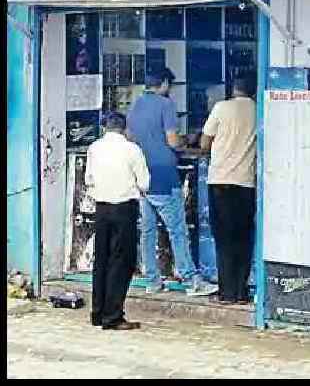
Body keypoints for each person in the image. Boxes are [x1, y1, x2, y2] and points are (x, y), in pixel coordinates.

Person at [127, 68, 217, 297]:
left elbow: (131, 137)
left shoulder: (135, 104)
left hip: (142, 177)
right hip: (164, 175)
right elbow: (173, 140)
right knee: (177, 231)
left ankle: (152, 281)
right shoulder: (166, 105)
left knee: (147, 232)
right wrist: (186, 141)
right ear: (165, 83)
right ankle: (191, 280)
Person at [86, 112, 150, 330]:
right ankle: (113, 315)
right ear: (124, 128)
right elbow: (145, 183)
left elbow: (89, 179)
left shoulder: (94, 148)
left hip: (102, 208)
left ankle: (97, 312)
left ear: (105, 127)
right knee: (121, 261)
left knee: (101, 260)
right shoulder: (133, 149)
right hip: (124, 209)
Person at [201, 75, 257, 305]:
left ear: (233, 89)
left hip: (220, 181)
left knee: (223, 238)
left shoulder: (221, 108)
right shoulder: (258, 110)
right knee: (243, 238)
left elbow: (205, 142)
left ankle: (227, 292)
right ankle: (242, 291)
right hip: (246, 182)